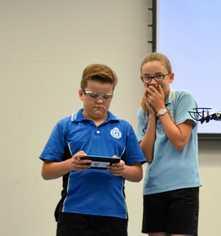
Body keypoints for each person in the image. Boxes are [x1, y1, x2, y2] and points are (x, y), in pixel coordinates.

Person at [40, 64, 145, 236]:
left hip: (114, 213)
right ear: (81, 94)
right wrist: (70, 164)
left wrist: (123, 169)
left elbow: (138, 174)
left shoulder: (124, 128)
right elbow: (46, 171)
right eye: (93, 95)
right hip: (73, 212)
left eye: (106, 96)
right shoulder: (65, 126)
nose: (100, 101)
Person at [136, 52, 201, 236]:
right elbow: (146, 155)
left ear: (170, 77)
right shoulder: (142, 111)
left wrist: (161, 109)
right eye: (147, 77)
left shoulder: (184, 99)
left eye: (159, 76)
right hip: (155, 186)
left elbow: (180, 141)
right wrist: (151, 115)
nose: (153, 82)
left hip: (183, 186)